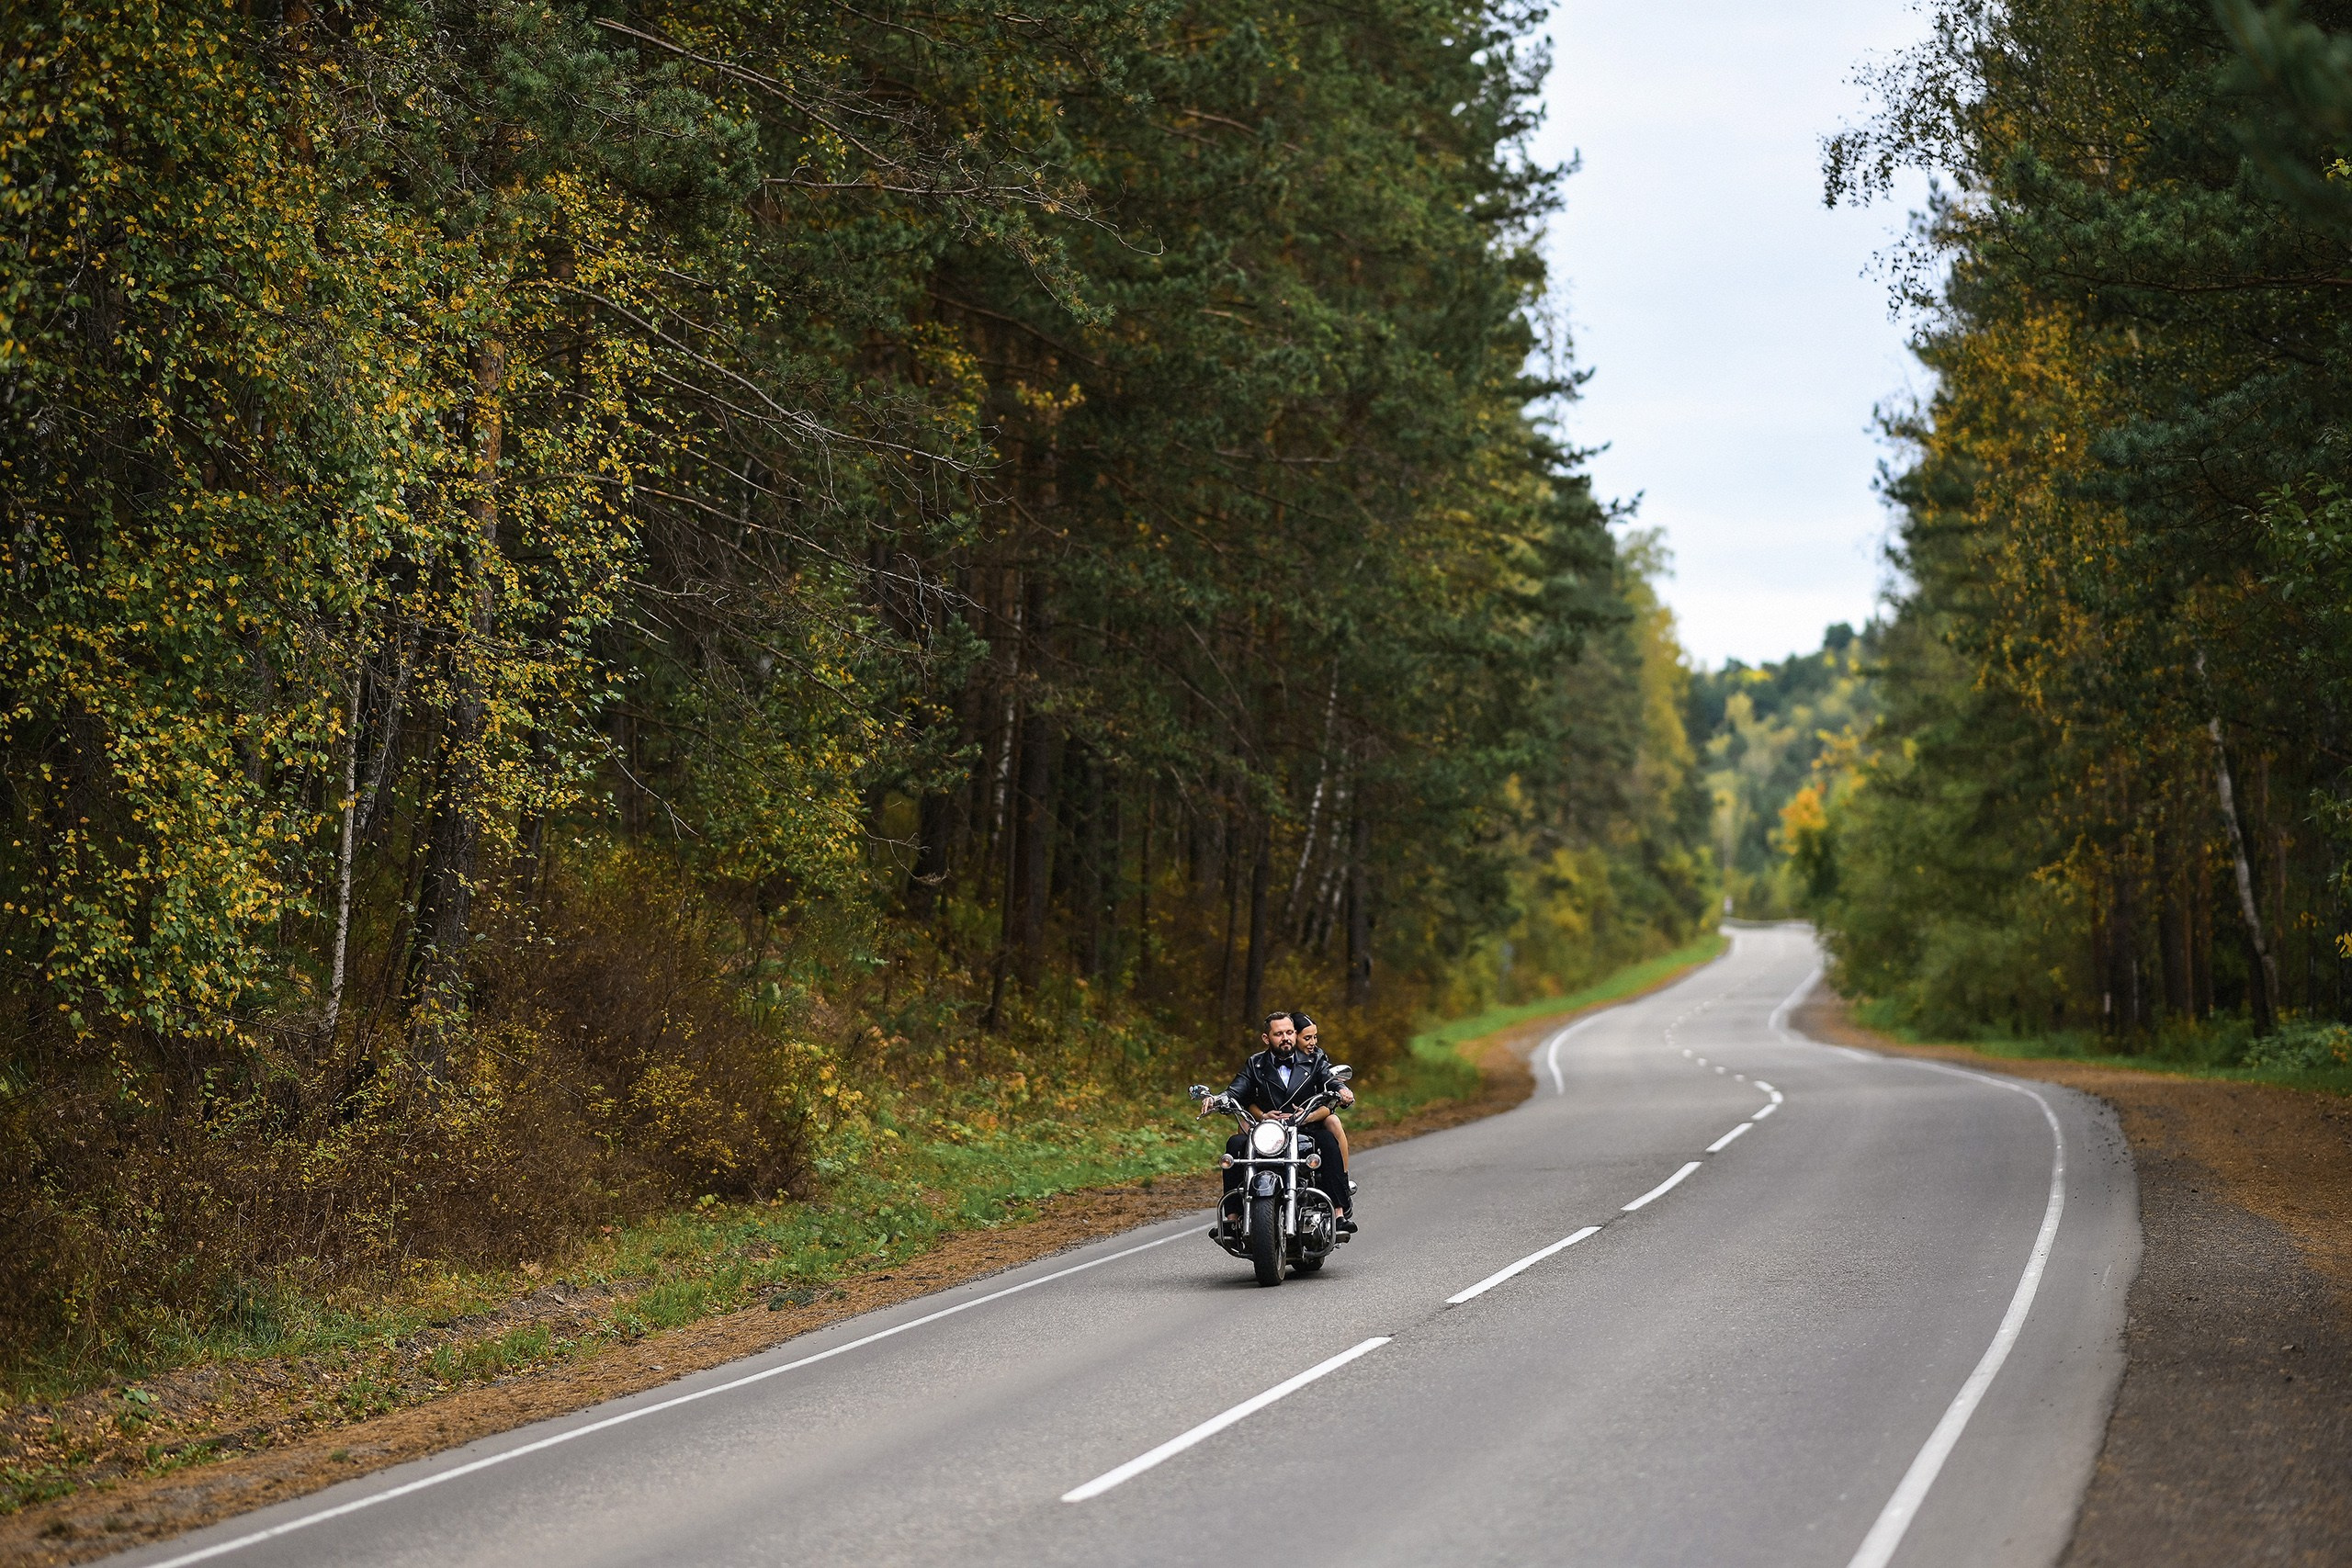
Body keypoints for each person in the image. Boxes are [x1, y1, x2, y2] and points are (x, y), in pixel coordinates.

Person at [1202, 1010, 1356, 1234]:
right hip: (1268, 1133)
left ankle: (1338, 1214)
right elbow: (1237, 1089)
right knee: (1235, 1145)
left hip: (1304, 1128)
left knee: (1328, 1141)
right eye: (1279, 1034)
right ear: (1267, 1038)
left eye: (1290, 1032)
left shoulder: (1314, 1060)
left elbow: (1329, 1079)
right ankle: (1232, 1219)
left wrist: (1342, 1089)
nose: (1286, 1038)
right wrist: (1218, 1099)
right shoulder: (1255, 1064)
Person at [1291, 1010, 1354, 1173]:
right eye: (1307, 1038)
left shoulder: (1318, 1057)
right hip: (1278, 1121)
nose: (1313, 1042)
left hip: (1312, 1118)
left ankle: (1343, 1177)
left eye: (1315, 1037)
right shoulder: (1268, 1060)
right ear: (1293, 1036)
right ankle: (1245, 1186)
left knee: (1333, 1121)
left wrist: (1342, 1089)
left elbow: (1328, 1076)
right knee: (1245, 1126)